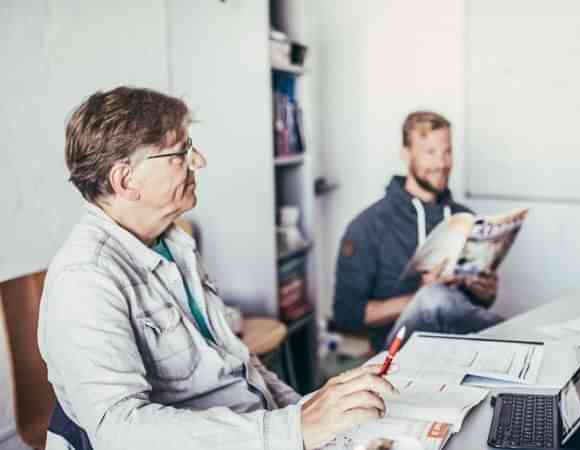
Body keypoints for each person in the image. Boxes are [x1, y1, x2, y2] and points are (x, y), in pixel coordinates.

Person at [39, 87, 395, 450]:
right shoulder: (85, 279)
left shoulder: (174, 243)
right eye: (180, 153)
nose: (199, 162)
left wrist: (314, 413)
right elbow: (121, 431)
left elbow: (240, 363)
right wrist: (293, 428)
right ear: (125, 180)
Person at [332, 111, 504, 352]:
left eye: (447, 151)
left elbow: (476, 306)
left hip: (459, 343)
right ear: (406, 154)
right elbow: (347, 315)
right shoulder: (367, 226)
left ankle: (516, 342)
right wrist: (420, 295)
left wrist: (486, 291)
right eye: (430, 152)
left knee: (443, 300)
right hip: (398, 350)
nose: (442, 163)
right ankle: (515, 338)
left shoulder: (465, 218)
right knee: (434, 298)